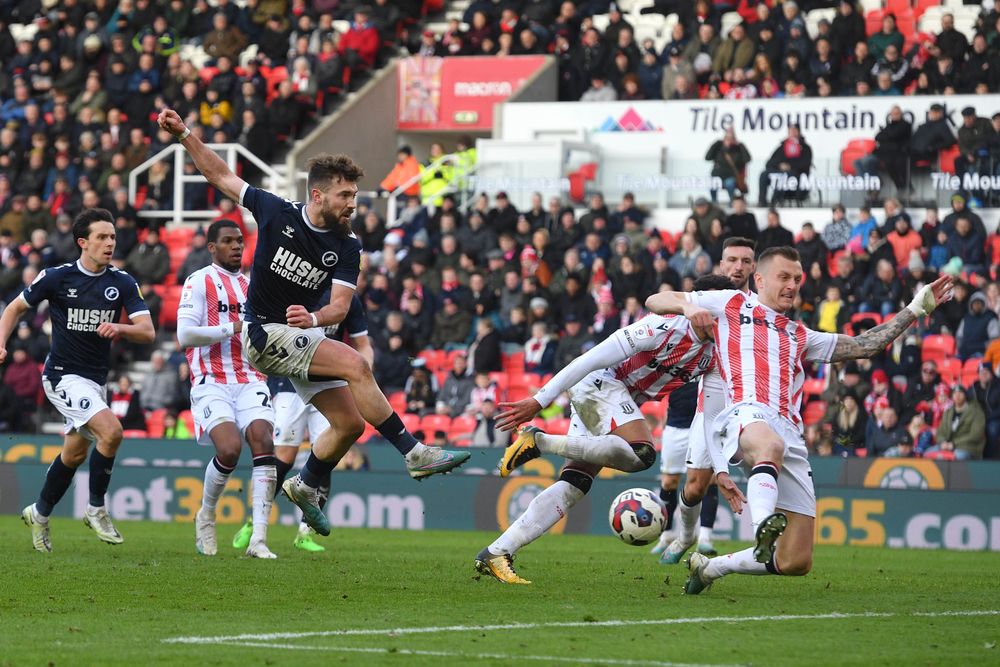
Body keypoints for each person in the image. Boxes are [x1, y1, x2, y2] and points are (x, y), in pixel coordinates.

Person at [157, 108, 470, 539]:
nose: (353, 203)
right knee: (357, 366)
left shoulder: (347, 244)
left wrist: (315, 317)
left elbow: (340, 307)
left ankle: (305, 483)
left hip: (300, 335)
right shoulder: (275, 211)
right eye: (344, 195)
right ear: (318, 196)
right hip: (263, 334)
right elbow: (221, 177)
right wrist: (185, 135)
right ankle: (413, 453)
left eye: (355, 194)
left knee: (349, 426)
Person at [645, 246, 952, 594]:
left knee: (795, 562)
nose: (792, 285)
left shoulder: (800, 334)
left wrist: (914, 309)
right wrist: (689, 306)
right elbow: (657, 300)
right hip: (745, 412)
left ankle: (711, 567)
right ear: (758, 279)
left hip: (789, 434)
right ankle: (762, 525)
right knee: (768, 444)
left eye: (797, 279)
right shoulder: (731, 304)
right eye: (784, 277)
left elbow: (865, 345)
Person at [474, 274, 738, 584]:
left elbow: (710, 416)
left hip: (618, 399)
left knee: (574, 485)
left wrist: (720, 469)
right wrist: (540, 400)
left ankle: (496, 552)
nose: (727, 318)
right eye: (722, 310)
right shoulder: (662, 326)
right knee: (642, 453)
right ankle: (539, 441)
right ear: (701, 305)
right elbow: (590, 358)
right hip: (601, 384)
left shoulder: (718, 355)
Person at [0, 209, 155, 552]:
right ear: (83, 243)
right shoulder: (57, 277)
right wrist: (1, 342)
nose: (109, 243)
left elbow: (147, 331)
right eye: (102, 237)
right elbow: (13, 309)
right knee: (112, 431)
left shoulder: (123, 282)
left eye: (113, 237)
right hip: (62, 377)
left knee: (72, 455)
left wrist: (121, 327)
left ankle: (39, 513)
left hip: (96, 381)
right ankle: (96, 507)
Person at [176, 219, 278, 559]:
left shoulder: (254, 287)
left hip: (250, 378)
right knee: (231, 449)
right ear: (212, 247)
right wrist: (233, 327)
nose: (237, 246)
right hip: (211, 380)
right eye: (228, 241)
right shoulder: (198, 281)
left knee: (263, 440)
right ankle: (206, 513)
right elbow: (185, 336)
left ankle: (259, 540)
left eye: (240, 241)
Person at [657, 237, 757, 565]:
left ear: (755, 268)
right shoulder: (705, 301)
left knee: (769, 466)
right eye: (732, 260)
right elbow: (658, 302)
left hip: (752, 409)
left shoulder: (762, 309)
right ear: (722, 265)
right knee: (696, 486)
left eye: (745, 261)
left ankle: (767, 547)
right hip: (710, 406)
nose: (738, 267)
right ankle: (686, 536)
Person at [264, 293, 373, 553]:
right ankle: (256, 521)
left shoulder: (347, 298)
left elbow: (363, 344)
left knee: (325, 453)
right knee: (284, 457)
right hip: (289, 383)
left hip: (329, 386)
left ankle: (305, 532)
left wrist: (366, 371)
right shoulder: (300, 287)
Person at [649, 379, 721, 559]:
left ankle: (705, 537)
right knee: (668, 481)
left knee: (708, 480)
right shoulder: (679, 357)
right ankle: (667, 535)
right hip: (675, 425)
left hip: (705, 424)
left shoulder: (712, 356)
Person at [925, 385, 986, 460]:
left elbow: (975, 435)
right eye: (955, 393)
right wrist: (943, 442)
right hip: (947, 445)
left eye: (960, 393)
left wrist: (954, 444)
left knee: (958, 456)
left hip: (968, 447)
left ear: (966, 395)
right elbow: (940, 432)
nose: (957, 396)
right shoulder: (948, 412)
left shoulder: (976, 411)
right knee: (927, 453)